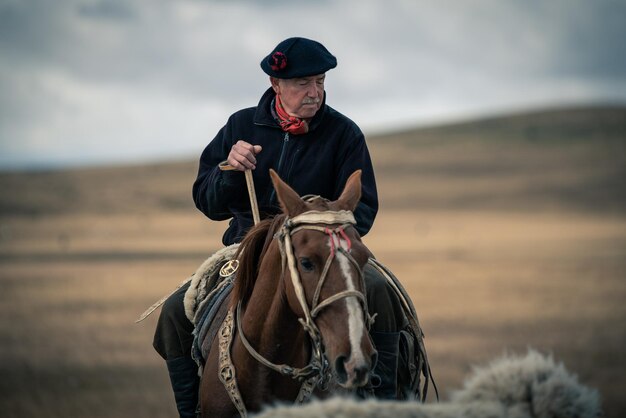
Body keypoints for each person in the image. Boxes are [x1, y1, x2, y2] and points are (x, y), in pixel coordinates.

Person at [153, 37, 407, 418]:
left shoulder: (344, 133)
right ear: (276, 85)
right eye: (303, 83)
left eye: (320, 81)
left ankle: (386, 405)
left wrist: (321, 220)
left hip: (321, 253)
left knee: (380, 292)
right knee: (174, 313)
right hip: (247, 251)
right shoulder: (241, 125)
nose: (315, 92)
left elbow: (364, 209)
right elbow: (206, 202)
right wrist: (229, 173)